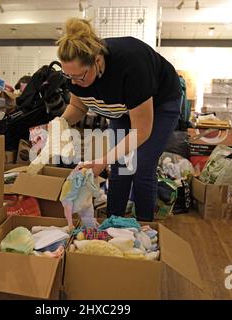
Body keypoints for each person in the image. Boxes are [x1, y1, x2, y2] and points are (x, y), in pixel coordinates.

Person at [54, 18, 182, 222]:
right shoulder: (76, 74)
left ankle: (144, 227)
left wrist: (101, 160)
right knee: (121, 167)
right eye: (69, 76)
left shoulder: (131, 63)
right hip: (122, 109)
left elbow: (141, 131)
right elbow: (78, 106)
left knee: (141, 166)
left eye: (80, 77)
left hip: (159, 103)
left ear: (97, 60)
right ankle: (113, 223)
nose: (74, 82)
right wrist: (58, 123)